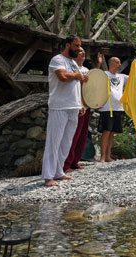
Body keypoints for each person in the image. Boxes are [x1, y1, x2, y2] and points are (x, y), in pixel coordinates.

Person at [42, 35, 88, 187]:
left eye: (79, 45)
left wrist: (80, 103)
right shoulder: (58, 60)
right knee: (54, 142)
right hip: (59, 106)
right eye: (76, 46)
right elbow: (62, 77)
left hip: (73, 107)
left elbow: (76, 85)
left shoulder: (73, 62)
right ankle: (48, 176)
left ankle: (59, 172)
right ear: (67, 45)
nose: (78, 49)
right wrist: (77, 75)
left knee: (66, 142)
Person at [97, 55, 130, 163]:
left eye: (120, 62)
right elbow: (95, 77)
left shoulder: (121, 77)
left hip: (118, 108)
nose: (120, 64)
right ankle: (102, 157)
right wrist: (99, 63)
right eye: (117, 62)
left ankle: (108, 156)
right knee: (106, 131)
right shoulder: (105, 74)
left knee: (112, 133)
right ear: (111, 64)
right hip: (107, 108)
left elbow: (135, 78)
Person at [63, 47, 90, 173]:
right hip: (76, 105)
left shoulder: (86, 70)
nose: (83, 53)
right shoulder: (73, 69)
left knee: (82, 136)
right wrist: (81, 103)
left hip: (86, 105)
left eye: (84, 51)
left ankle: (75, 161)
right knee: (72, 135)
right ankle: (66, 164)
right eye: (80, 51)